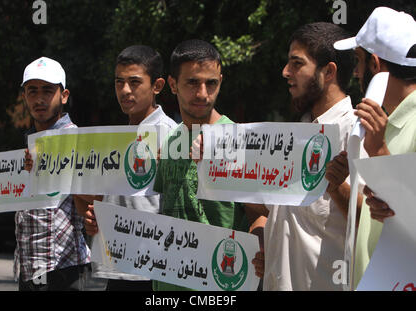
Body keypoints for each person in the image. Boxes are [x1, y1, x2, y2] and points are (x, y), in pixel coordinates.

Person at [252, 22, 361, 291]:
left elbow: (373, 222)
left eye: (297, 64)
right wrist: (269, 242)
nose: (286, 72)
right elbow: (275, 211)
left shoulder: (357, 132)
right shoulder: (295, 131)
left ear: (329, 71)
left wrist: (337, 187)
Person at [153, 39, 265, 291]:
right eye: (192, 82)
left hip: (220, 285)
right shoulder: (171, 141)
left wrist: (259, 249)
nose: (202, 93)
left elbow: (260, 215)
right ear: (172, 84)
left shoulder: (240, 140)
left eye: (211, 83)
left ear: (220, 82)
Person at [0, 57, 91, 291]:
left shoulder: (78, 140)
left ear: (63, 96)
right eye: (32, 91)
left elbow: (95, 197)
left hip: (63, 268)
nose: (39, 99)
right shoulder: (27, 145)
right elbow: (12, 195)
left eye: (47, 90)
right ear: (24, 96)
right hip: (28, 267)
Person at [75, 45, 177, 291]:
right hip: (116, 269)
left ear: (157, 86)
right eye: (119, 82)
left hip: (154, 273)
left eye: (134, 82)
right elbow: (97, 199)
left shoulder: (172, 136)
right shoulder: (116, 138)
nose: (125, 90)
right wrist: (91, 217)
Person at [333, 6, 416, 289]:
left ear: (375, 64)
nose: (355, 72)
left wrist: (379, 151)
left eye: (358, 61)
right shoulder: (381, 125)